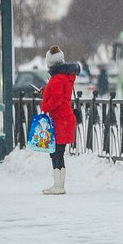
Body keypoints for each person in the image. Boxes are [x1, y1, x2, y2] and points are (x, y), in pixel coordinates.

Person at [41, 45, 80, 195]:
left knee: (56, 153)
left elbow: (56, 99)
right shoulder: (65, 77)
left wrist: (45, 106)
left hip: (60, 120)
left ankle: (58, 186)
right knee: (59, 152)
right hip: (65, 119)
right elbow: (62, 95)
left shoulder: (57, 78)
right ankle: (59, 185)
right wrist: (46, 91)